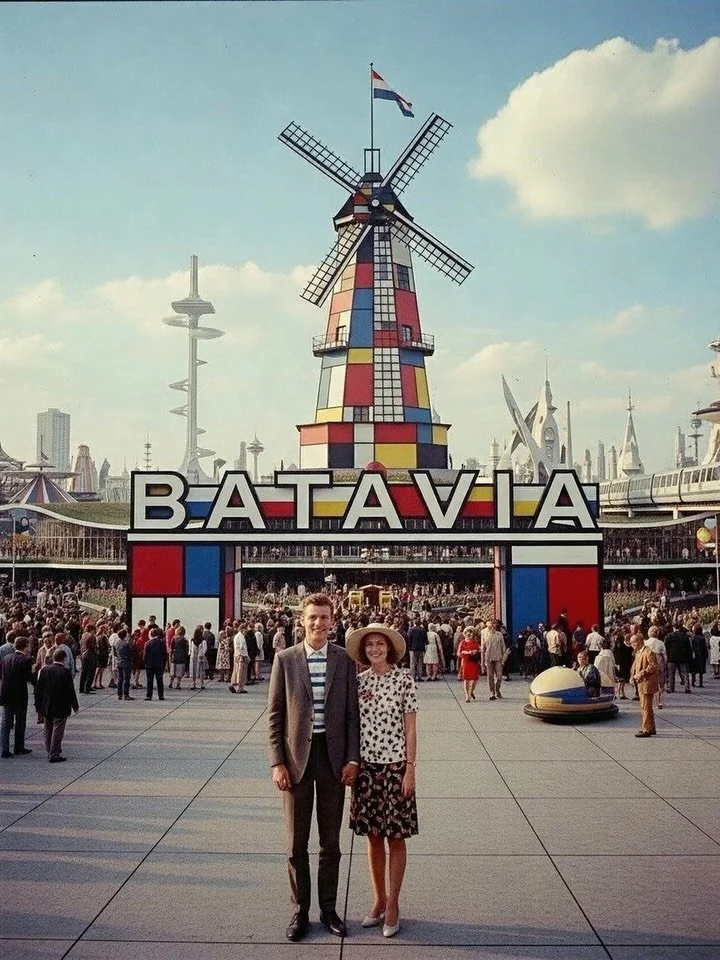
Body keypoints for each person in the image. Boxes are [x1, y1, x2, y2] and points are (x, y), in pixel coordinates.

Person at [268, 593, 360, 943]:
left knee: (331, 842)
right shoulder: (286, 659)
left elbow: (352, 714)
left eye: (324, 618)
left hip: (333, 759)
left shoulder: (344, 660)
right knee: (295, 843)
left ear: (332, 621)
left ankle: (328, 908)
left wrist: (353, 758)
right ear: (302, 622)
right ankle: (300, 910)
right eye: (312, 618)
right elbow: (275, 717)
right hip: (296, 761)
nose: (318, 624)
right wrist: (278, 762)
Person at [346, 623, 418, 940]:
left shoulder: (404, 679)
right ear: (364, 650)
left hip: (395, 767)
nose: (375, 648)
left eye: (380, 644)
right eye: (370, 645)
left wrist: (411, 768)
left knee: (396, 837)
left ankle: (394, 904)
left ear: (389, 648)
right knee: (372, 836)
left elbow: (411, 728)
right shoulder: (358, 683)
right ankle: (378, 899)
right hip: (367, 769)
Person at [34, 648, 79, 762]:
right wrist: (75, 705)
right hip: (60, 705)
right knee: (58, 728)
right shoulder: (65, 672)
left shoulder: (45, 670)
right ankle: (54, 753)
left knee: (48, 728)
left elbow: (39, 689)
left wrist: (38, 705)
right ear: (63, 658)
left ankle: (50, 750)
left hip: (47, 704)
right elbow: (70, 690)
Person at [0, 636, 35, 758]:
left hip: (6, 694)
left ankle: (4, 748)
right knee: (20, 721)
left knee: (6, 722)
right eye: (29, 645)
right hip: (19, 695)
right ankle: (18, 746)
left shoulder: (5, 659)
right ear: (24, 646)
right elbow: (29, 678)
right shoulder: (25, 660)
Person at [630, 633, 659, 737]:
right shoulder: (638, 652)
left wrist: (641, 673)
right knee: (645, 706)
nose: (631, 644)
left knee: (646, 706)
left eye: (632, 642)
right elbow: (635, 665)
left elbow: (653, 666)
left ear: (638, 642)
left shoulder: (648, 652)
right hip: (641, 683)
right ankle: (650, 727)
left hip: (647, 683)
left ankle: (646, 729)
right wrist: (633, 676)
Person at [482, 620, 507, 701]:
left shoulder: (499, 634)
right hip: (488, 657)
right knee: (490, 676)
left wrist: (504, 658)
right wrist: (483, 661)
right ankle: (492, 692)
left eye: (493, 625)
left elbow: (503, 647)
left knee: (499, 676)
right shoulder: (484, 633)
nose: (491, 627)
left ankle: (497, 689)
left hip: (498, 657)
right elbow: (483, 647)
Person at [456, 626, 481, 702]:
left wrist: (475, 652)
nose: (469, 634)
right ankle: (467, 696)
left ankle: (471, 691)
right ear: (465, 633)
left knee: (474, 680)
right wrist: (466, 652)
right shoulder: (462, 642)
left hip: (474, 662)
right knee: (466, 679)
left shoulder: (475, 643)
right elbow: (458, 653)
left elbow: (479, 651)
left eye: (471, 632)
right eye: (467, 632)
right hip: (465, 662)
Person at [144, 628, 166, 700]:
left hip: (150, 665)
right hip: (159, 664)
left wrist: (146, 663)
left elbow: (145, 655)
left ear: (150, 634)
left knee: (150, 680)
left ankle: (149, 695)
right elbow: (164, 655)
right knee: (160, 680)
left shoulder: (147, 643)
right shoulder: (162, 643)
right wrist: (163, 664)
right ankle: (161, 695)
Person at [115, 628, 134, 701]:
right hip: (126, 662)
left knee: (120, 678)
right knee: (126, 678)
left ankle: (119, 694)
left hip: (119, 661)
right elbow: (130, 653)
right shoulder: (127, 644)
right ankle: (126, 694)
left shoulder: (117, 643)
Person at [229, 626, 249, 694]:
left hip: (236, 655)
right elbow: (241, 647)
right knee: (241, 672)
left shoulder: (236, 636)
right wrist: (246, 655)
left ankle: (234, 685)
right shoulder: (241, 637)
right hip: (241, 656)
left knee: (236, 671)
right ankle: (240, 687)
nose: (246, 631)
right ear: (242, 629)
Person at [169, 625, 188, 690]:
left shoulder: (174, 638)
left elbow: (171, 648)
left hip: (174, 656)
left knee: (173, 671)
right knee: (180, 671)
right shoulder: (185, 640)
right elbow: (186, 649)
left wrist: (170, 656)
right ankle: (178, 684)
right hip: (181, 657)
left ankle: (171, 682)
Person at [189, 626, 207, 691]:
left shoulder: (192, 640)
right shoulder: (203, 641)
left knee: (194, 670)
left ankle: (194, 683)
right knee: (200, 670)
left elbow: (190, 650)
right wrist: (201, 654)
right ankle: (201, 684)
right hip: (198, 657)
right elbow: (205, 649)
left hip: (194, 657)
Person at [690, 624, 708, 688]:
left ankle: (693, 681)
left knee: (694, 670)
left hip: (695, 656)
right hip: (701, 656)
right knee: (701, 670)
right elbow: (705, 647)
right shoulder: (702, 638)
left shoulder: (693, 638)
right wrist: (706, 655)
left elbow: (691, 647)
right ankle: (700, 683)